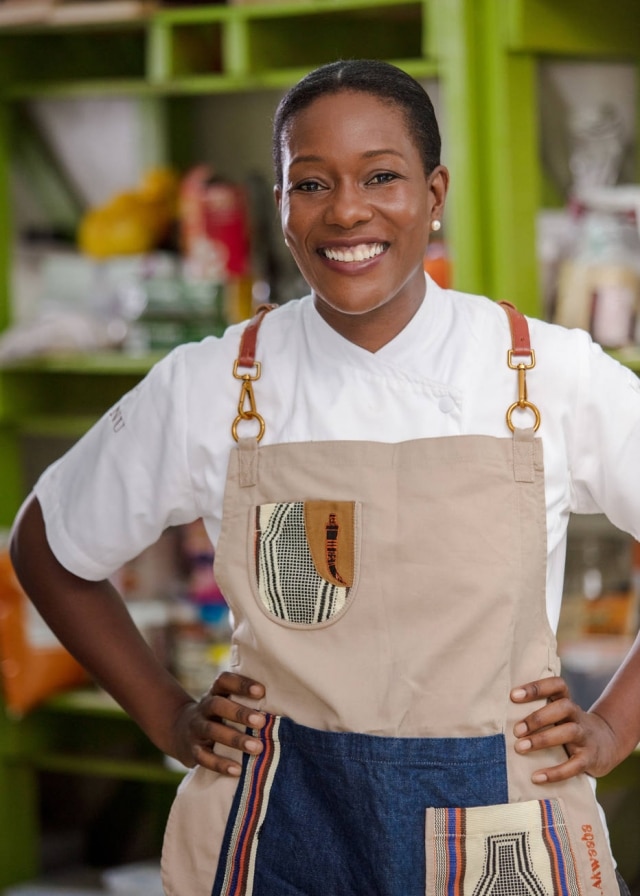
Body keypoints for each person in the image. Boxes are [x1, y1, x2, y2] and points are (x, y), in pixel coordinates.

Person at [9, 59, 640, 896]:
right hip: (280, 827)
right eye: (311, 183)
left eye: (383, 176)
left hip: (502, 832)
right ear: (279, 203)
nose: (347, 211)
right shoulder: (211, 384)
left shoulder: (546, 374)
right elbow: (46, 548)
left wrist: (613, 728)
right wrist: (169, 715)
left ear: (435, 192)